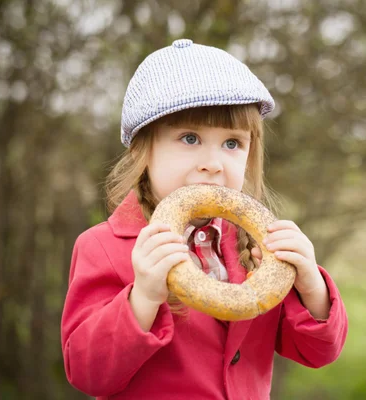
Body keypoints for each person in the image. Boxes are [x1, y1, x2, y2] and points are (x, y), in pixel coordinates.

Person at [61, 38, 348, 400]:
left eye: (232, 144)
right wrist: (144, 298)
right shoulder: (103, 247)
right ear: (142, 149)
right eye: (190, 138)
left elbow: (318, 352)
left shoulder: (257, 251)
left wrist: (312, 289)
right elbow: (88, 374)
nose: (213, 163)